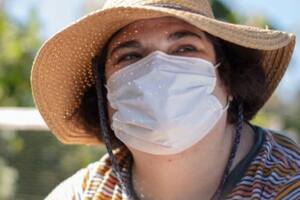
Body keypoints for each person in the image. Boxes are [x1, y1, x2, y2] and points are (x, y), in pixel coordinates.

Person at [30, 0, 299, 199]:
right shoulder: (81, 194)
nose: (157, 68)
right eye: (130, 57)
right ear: (104, 94)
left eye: (185, 48)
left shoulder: (289, 185)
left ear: (228, 78)